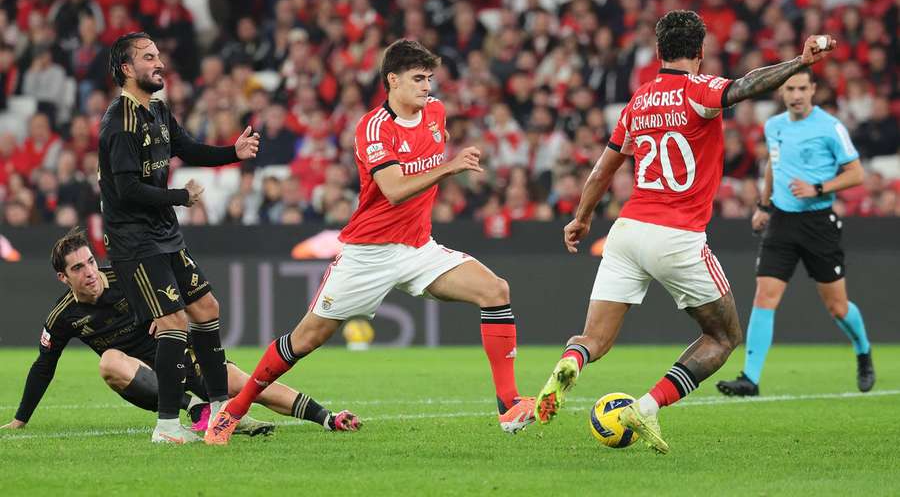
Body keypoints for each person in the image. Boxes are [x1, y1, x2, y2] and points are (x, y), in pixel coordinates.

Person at [532, 10, 837, 454]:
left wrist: (581, 217)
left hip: (627, 229)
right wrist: (799, 62)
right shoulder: (700, 89)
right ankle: (647, 407)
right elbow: (748, 84)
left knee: (594, 339)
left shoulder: (637, 102)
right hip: (676, 235)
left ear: (658, 52)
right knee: (723, 337)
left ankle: (569, 362)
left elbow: (602, 169)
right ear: (700, 52)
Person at [206, 39, 535, 445]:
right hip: (368, 254)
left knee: (495, 290)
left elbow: (431, 143)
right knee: (304, 340)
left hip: (418, 248)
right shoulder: (373, 127)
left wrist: (441, 157)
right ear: (392, 80)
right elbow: (394, 189)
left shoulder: (435, 113)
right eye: (418, 78)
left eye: (430, 78)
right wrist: (449, 168)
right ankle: (234, 410)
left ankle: (509, 405)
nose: (427, 86)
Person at [0, 229, 361, 434]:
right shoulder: (63, 317)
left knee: (245, 384)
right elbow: (43, 366)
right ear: (63, 278)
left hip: (184, 357)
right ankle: (195, 409)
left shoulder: (128, 279)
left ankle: (325, 417)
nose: (90, 272)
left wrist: (166, 312)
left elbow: (182, 295)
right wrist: (21, 418)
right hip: (144, 375)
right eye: (78, 268)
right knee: (110, 361)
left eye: (91, 262)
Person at [99, 32, 260, 443]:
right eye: (148, 57)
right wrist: (180, 197)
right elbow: (126, 191)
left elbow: (186, 147)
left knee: (207, 307)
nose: (159, 63)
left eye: (158, 55)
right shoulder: (119, 123)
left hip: (165, 235)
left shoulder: (157, 109)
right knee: (172, 323)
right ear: (126, 69)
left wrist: (232, 153)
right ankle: (167, 426)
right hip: (135, 243)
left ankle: (221, 408)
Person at [716, 71, 873, 397]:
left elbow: (857, 174)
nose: (797, 94)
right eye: (790, 88)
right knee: (764, 296)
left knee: (838, 307)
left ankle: (862, 349)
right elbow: (774, 165)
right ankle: (750, 378)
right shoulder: (774, 126)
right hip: (783, 222)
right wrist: (763, 205)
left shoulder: (830, 126)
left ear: (813, 90)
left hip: (818, 223)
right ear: (782, 92)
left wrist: (819, 187)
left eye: (802, 88)